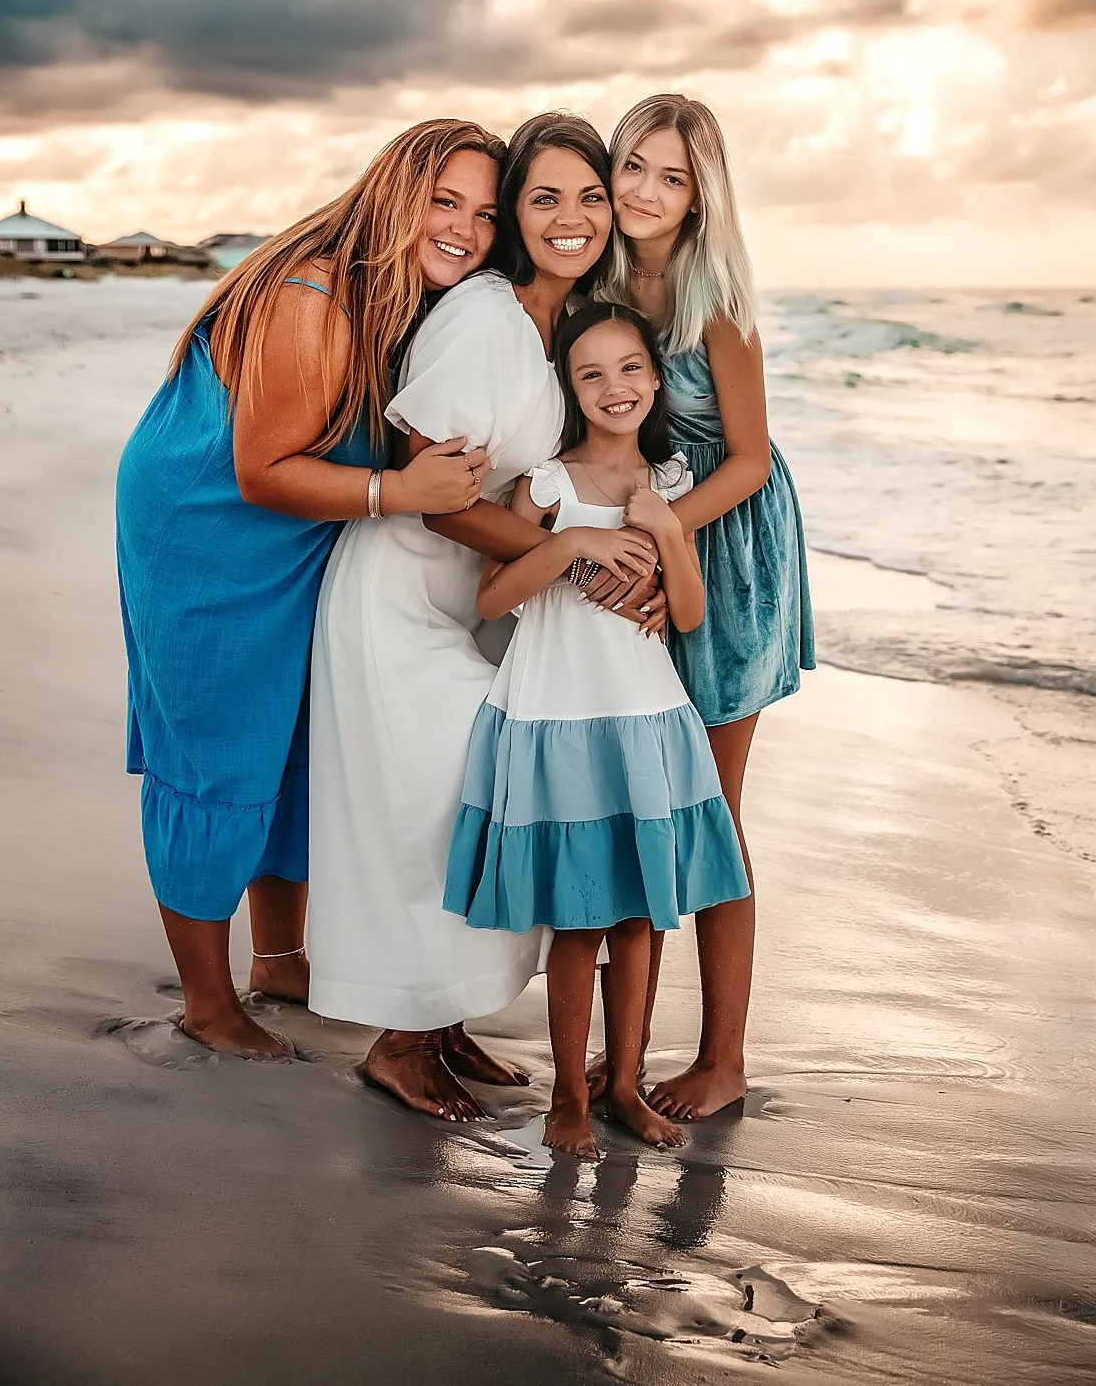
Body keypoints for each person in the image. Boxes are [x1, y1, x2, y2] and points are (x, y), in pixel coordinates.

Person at [116, 120, 503, 1060]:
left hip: (307, 524)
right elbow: (260, 469)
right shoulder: (314, 295)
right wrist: (398, 492)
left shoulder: (407, 294)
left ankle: (280, 960)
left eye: (486, 213)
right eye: (443, 201)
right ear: (394, 192)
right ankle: (206, 1002)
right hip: (209, 525)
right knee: (219, 750)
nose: (464, 228)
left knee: (293, 739)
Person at [308, 115, 666, 1121]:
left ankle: (447, 1018)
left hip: (461, 598)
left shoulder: (556, 327)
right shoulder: (484, 315)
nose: (571, 217)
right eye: (544, 197)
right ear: (520, 215)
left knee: (470, 801)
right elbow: (427, 483)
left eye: (589, 196)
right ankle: (402, 1040)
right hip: (396, 598)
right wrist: (568, 556)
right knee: (453, 799)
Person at [444, 302, 751, 1160]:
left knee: (642, 918)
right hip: (558, 716)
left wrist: (665, 533)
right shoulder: (546, 483)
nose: (614, 387)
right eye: (592, 373)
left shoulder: (674, 484)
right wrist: (571, 543)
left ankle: (624, 1083)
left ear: (655, 380)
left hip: (648, 717)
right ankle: (567, 1097)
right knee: (579, 921)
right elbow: (490, 599)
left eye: (629, 369)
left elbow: (686, 614)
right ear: (570, 391)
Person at [598, 94, 815, 1119]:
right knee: (632, 798)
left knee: (711, 817)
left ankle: (722, 1058)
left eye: (670, 176)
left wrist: (659, 530)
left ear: (698, 196)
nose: (643, 190)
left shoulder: (714, 300)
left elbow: (746, 458)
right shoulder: (593, 279)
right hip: (647, 540)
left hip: (727, 553)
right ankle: (619, 1055)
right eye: (633, 164)